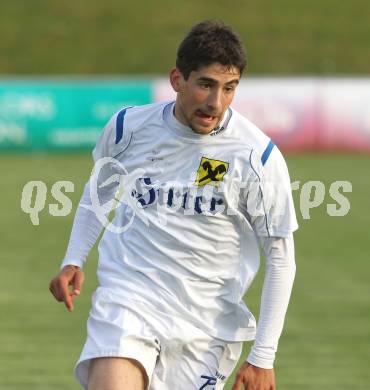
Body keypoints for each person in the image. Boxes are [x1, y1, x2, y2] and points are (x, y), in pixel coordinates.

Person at [49, 20, 297, 390]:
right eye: (206, 84)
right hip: (130, 299)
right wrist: (74, 258)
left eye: (229, 88)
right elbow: (98, 192)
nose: (216, 102)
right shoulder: (126, 129)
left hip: (207, 325)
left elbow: (280, 256)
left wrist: (263, 355)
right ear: (177, 79)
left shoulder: (257, 157)